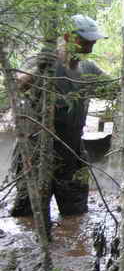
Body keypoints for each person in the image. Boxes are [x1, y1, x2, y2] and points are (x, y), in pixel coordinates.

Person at [10, 14, 107, 218]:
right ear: (68, 37)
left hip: (72, 153)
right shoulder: (44, 62)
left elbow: (118, 86)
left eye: (94, 39)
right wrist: (39, 69)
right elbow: (16, 85)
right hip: (37, 152)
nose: (92, 44)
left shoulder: (88, 68)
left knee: (76, 215)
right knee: (29, 216)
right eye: (86, 39)